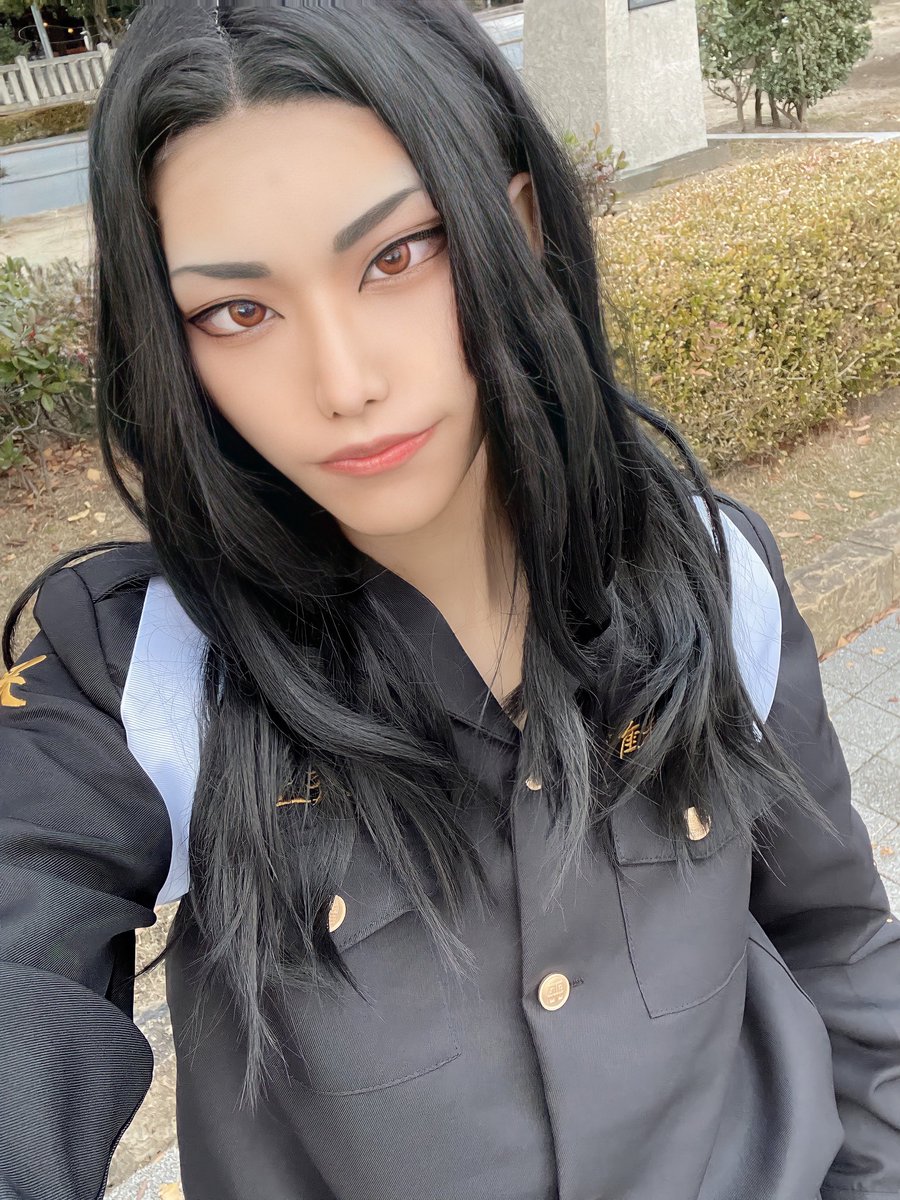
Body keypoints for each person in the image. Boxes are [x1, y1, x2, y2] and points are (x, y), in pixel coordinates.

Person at [1, 3, 898, 1199]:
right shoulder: (143, 675)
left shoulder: (711, 569)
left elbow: (838, 940)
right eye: (238, 312)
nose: (344, 381)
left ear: (513, 227)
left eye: (399, 255)